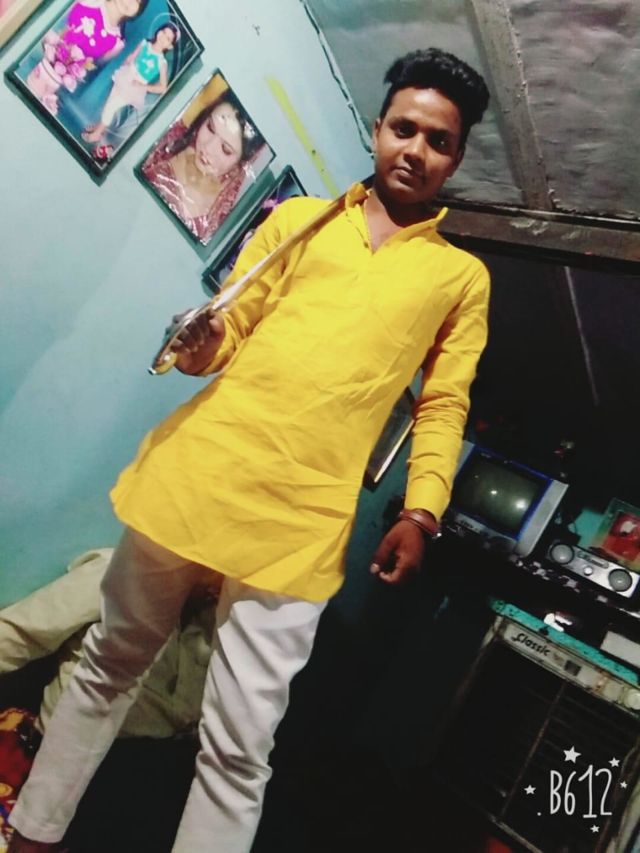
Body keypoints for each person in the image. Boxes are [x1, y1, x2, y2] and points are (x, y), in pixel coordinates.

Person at [8, 47, 491, 853]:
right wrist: (202, 341)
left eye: (438, 141)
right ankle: (31, 835)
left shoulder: (461, 278)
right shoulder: (299, 220)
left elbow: (443, 402)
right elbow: (231, 329)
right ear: (378, 129)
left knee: (238, 743)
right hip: (201, 472)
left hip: (300, 522)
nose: (416, 150)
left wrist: (422, 512)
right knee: (108, 665)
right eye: (404, 128)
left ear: (457, 157)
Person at [141, 88, 265, 244]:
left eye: (225, 149)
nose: (208, 147)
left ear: (241, 162)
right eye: (210, 128)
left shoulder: (231, 207)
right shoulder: (167, 142)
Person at [25, 0, 146, 116]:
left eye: (138, 1)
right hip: (35, 59)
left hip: (59, 84)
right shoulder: (91, 2)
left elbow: (94, 63)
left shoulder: (117, 42)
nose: (130, 2)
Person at [81, 23, 179, 147]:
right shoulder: (145, 44)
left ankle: (97, 133)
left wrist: (143, 86)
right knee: (110, 102)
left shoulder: (161, 62)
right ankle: (100, 127)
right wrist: (126, 64)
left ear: (170, 46)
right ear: (159, 31)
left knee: (111, 106)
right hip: (126, 75)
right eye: (163, 32)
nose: (163, 37)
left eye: (168, 38)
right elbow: (132, 57)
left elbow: (163, 88)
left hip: (135, 86)